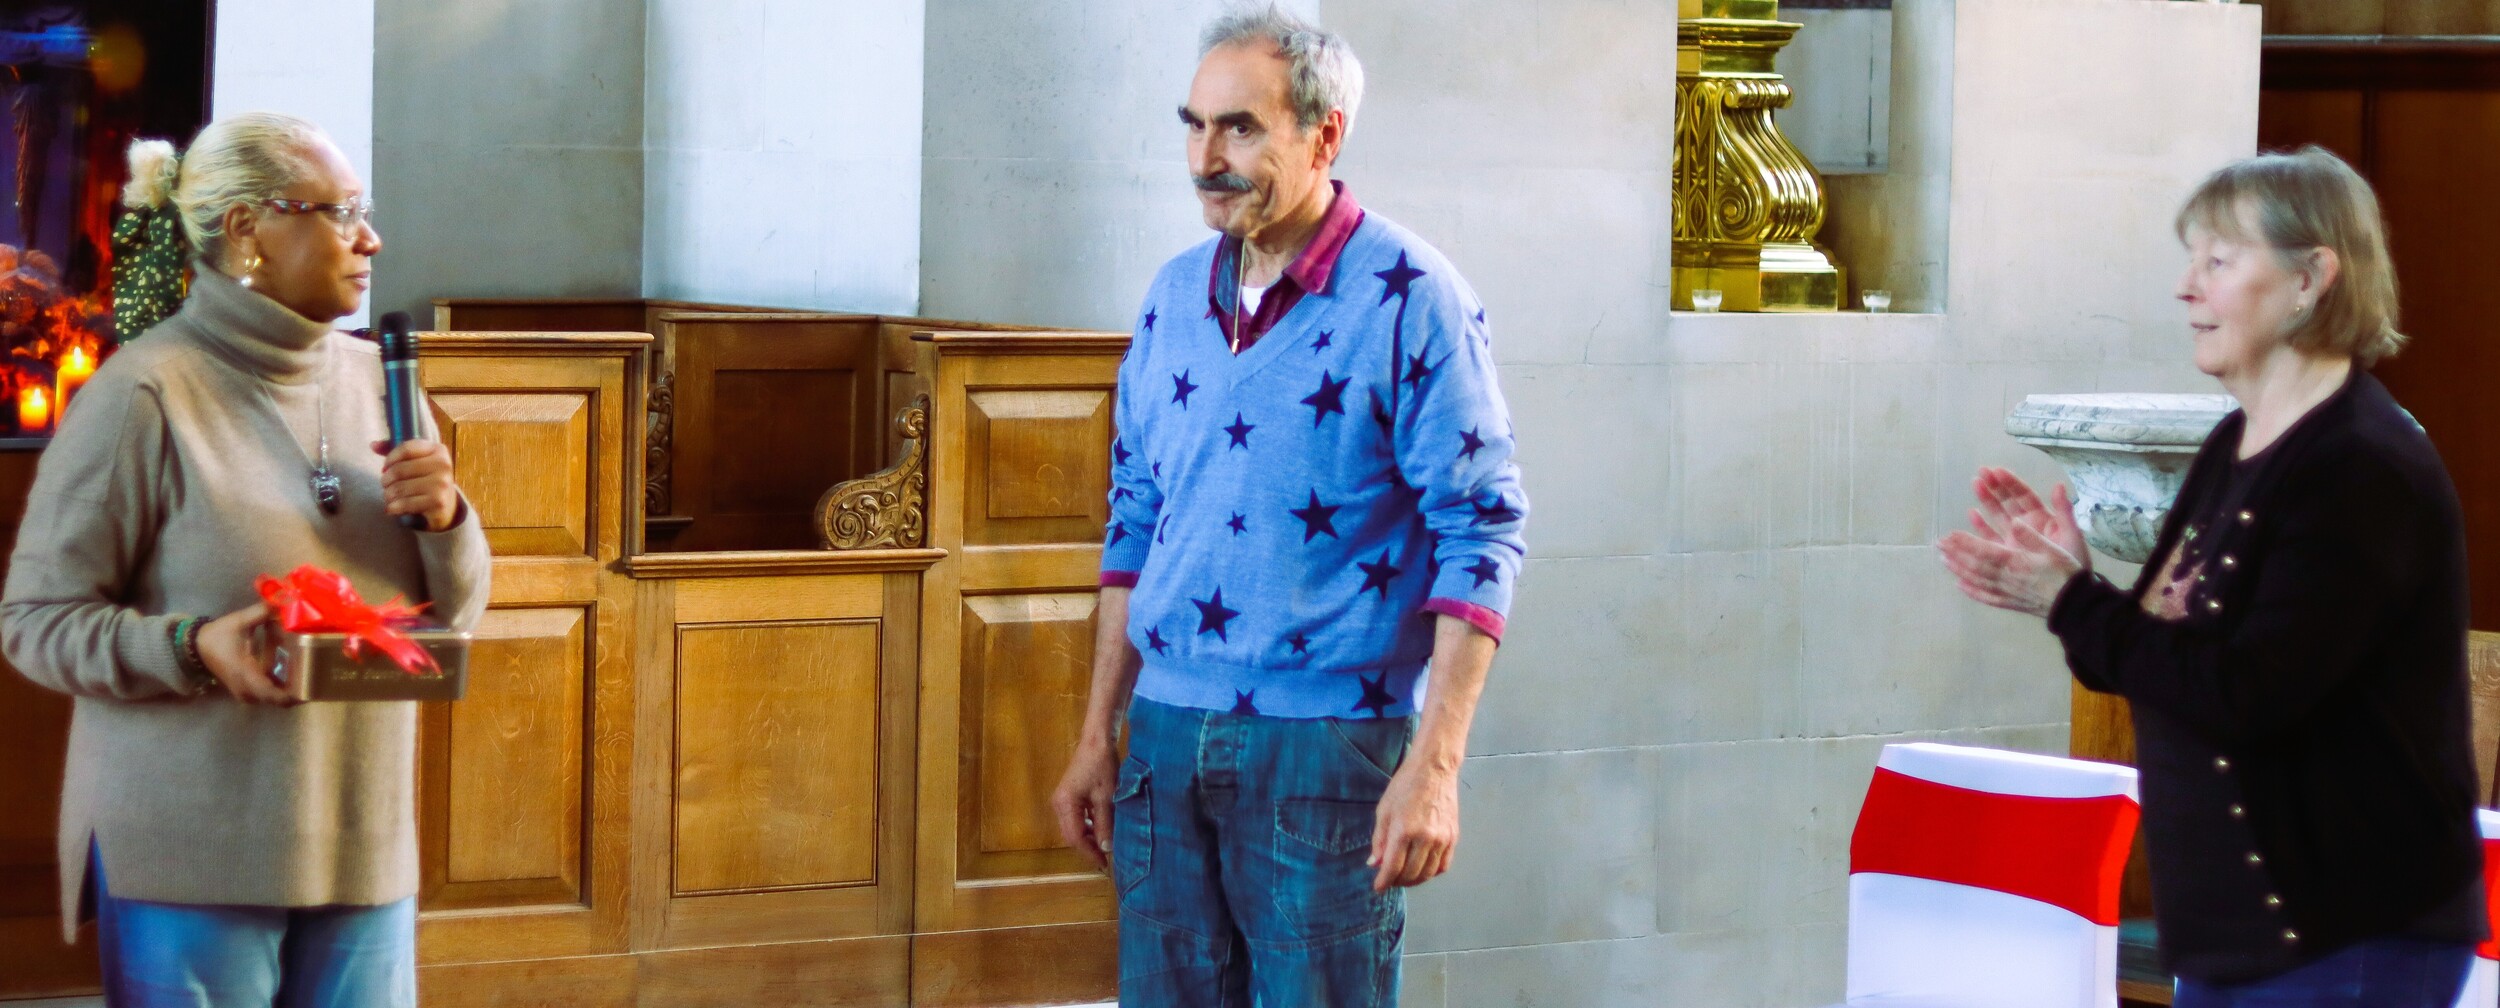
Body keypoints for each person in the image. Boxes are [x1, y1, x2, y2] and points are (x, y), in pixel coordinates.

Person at [1047, 7, 1527, 1006]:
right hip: (1164, 737)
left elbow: (1480, 532)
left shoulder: (1412, 298)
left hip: (1326, 751)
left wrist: (1435, 768)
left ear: (1324, 135)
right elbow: (1133, 521)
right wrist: (1099, 732)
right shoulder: (1171, 297)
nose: (1205, 159)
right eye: (1193, 126)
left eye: (1240, 128)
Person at [1939, 146, 2485, 1006]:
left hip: (2346, 933)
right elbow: (2161, 655)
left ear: (2311, 279)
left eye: (2219, 261)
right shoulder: (2236, 441)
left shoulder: (2359, 466)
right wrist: (2072, 582)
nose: (2186, 288)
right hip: (2242, 934)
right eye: (2191, 259)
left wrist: (2070, 601)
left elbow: (2248, 694)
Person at [0, 112, 491, 1007]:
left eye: (364, 210)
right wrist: (189, 647)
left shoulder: (383, 381)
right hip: (192, 858)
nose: (371, 239)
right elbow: (35, 623)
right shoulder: (142, 393)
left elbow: (451, 619)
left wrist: (447, 519)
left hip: (363, 847)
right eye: (339, 212)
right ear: (246, 229)